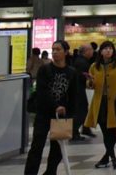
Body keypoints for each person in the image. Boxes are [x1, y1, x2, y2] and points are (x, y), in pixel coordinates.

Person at [25, 41, 79, 175]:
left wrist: (70, 113)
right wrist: (55, 106)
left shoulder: (71, 72)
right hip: (44, 114)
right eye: (53, 49)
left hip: (60, 116)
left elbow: (73, 94)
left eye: (58, 49)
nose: (54, 52)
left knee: (57, 149)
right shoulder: (45, 69)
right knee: (37, 147)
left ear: (66, 52)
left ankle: (50, 172)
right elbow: (42, 92)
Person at [85, 41, 116, 169]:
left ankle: (108, 157)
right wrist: (90, 82)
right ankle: (112, 157)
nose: (108, 51)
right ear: (100, 52)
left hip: (115, 103)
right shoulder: (94, 67)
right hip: (100, 103)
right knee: (105, 131)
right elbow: (90, 85)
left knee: (112, 131)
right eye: (105, 49)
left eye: (110, 49)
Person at [71, 44, 94, 141]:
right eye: (91, 50)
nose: (92, 52)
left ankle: (86, 128)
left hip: (79, 89)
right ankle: (74, 132)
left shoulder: (81, 60)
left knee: (84, 110)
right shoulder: (82, 63)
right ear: (86, 51)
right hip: (78, 90)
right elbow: (82, 77)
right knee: (81, 111)